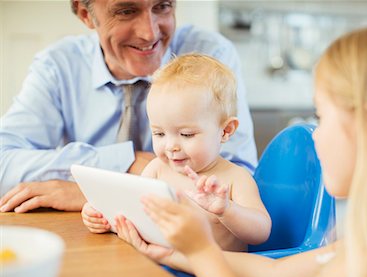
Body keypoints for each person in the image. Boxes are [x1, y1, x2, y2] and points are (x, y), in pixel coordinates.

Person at [115, 20, 367, 277]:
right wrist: (181, 253)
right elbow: (274, 275)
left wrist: (202, 252)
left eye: (322, 116)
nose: (314, 134)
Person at [0, 0, 257, 213]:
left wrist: (103, 192)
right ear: (84, 13)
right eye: (126, 11)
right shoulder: (58, 66)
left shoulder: (210, 56)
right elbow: (4, 163)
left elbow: (237, 179)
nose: (150, 33)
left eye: (162, 6)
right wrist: (126, 161)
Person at [82, 54, 271, 251]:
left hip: (216, 276)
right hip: (165, 267)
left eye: (186, 134)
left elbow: (261, 232)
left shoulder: (235, 179)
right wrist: (102, 215)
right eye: (159, 133)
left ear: (225, 130)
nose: (171, 145)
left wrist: (227, 210)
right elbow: (134, 215)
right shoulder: (157, 170)